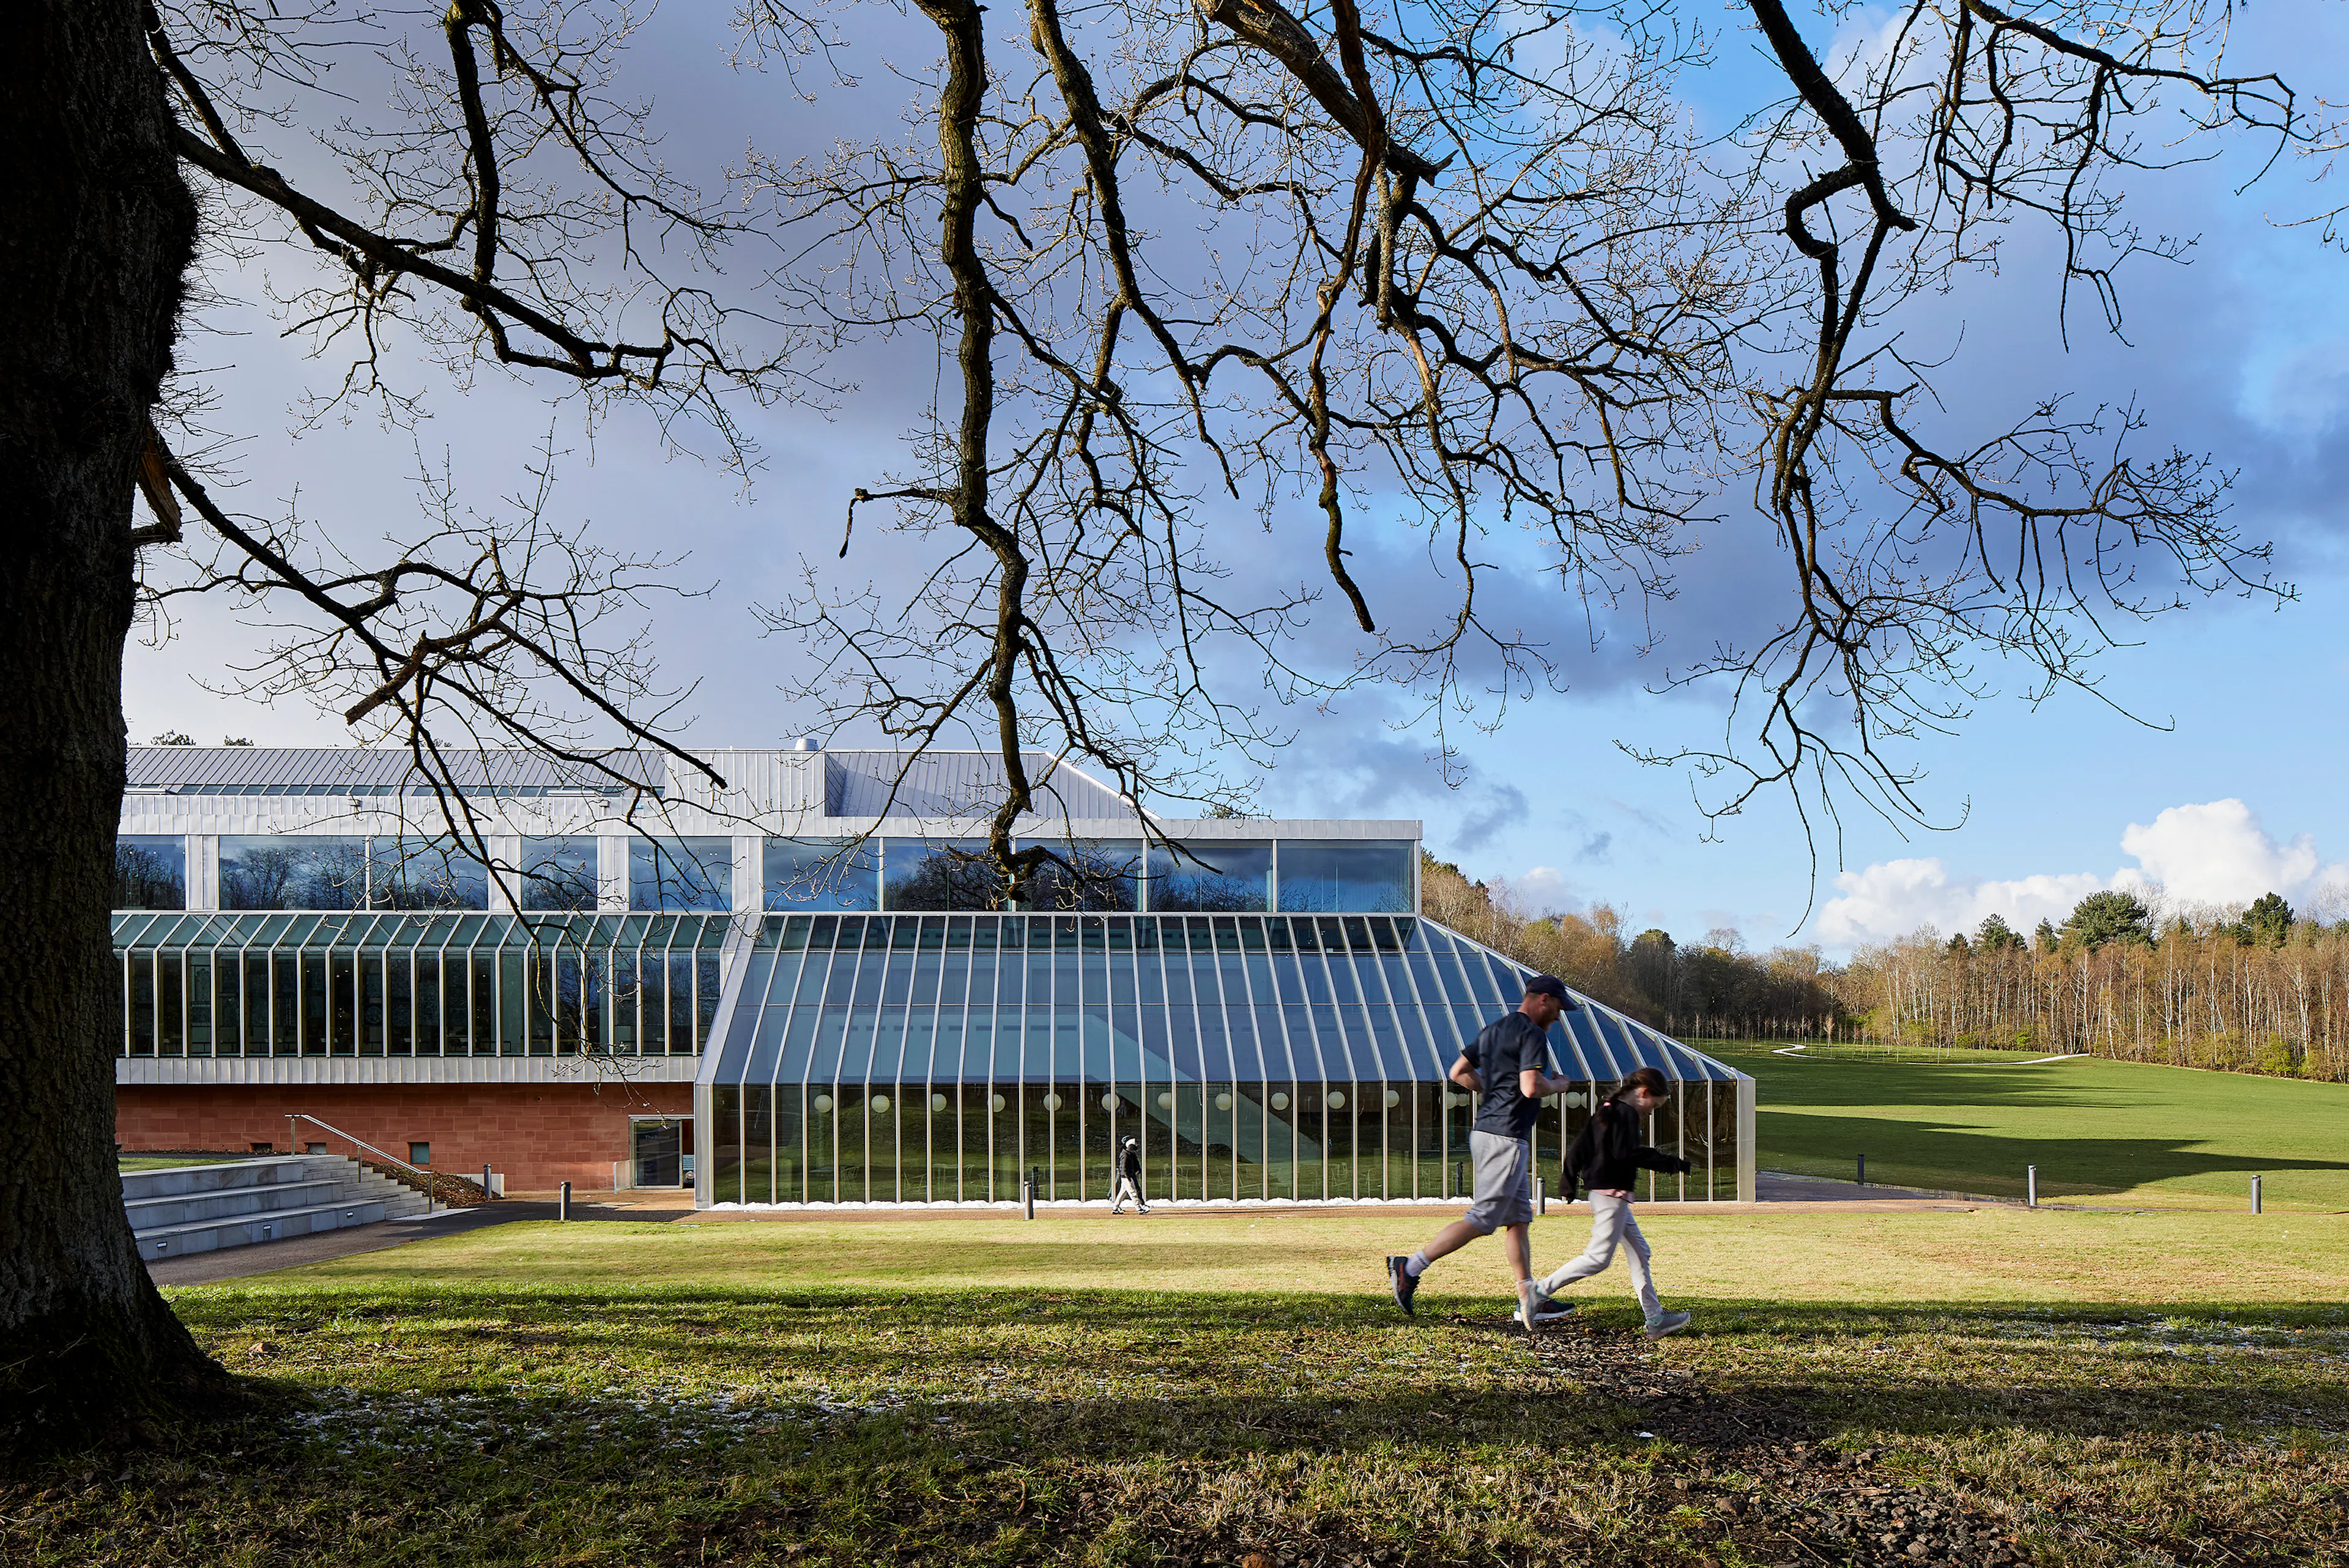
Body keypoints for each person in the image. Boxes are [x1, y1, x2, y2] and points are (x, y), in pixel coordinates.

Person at [1386, 975, 1583, 1331]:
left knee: (1519, 1219)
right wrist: (1559, 1084)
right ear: (1543, 999)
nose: (1558, 1016)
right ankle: (1409, 1267)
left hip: (1490, 1132)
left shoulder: (1494, 1031)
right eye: (1558, 1008)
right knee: (1484, 1217)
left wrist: (1492, 1091)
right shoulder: (1533, 1035)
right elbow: (1531, 1086)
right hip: (1505, 1137)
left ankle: (1529, 1296)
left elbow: (1458, 1072)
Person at [1537, 1065, 1694, 1339]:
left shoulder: (1607, 1109)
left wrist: (1569, 1183)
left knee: (1640, 1251)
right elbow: (1629, 1153)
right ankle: (1538, 1292)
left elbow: (1578, 1148)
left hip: (1606, 1193)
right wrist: (1673, 1164)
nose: (1650, 1112)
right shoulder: (1625, 1114)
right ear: (1643, 1093)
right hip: (1611, 1194)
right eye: (1653, 1106)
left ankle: (1655, 1318)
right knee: (1598, 1259)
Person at [1110, 1134, 1148, 1214]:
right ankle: (1139, 1209)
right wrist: (1128, 1177)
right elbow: (1124, 1167)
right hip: (1127, 1177)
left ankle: (1115, 1208)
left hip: (1127, 1176)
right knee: (1133, 1192)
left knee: (1122, 1193)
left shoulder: (1130, 1154)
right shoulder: (1125, 1155)